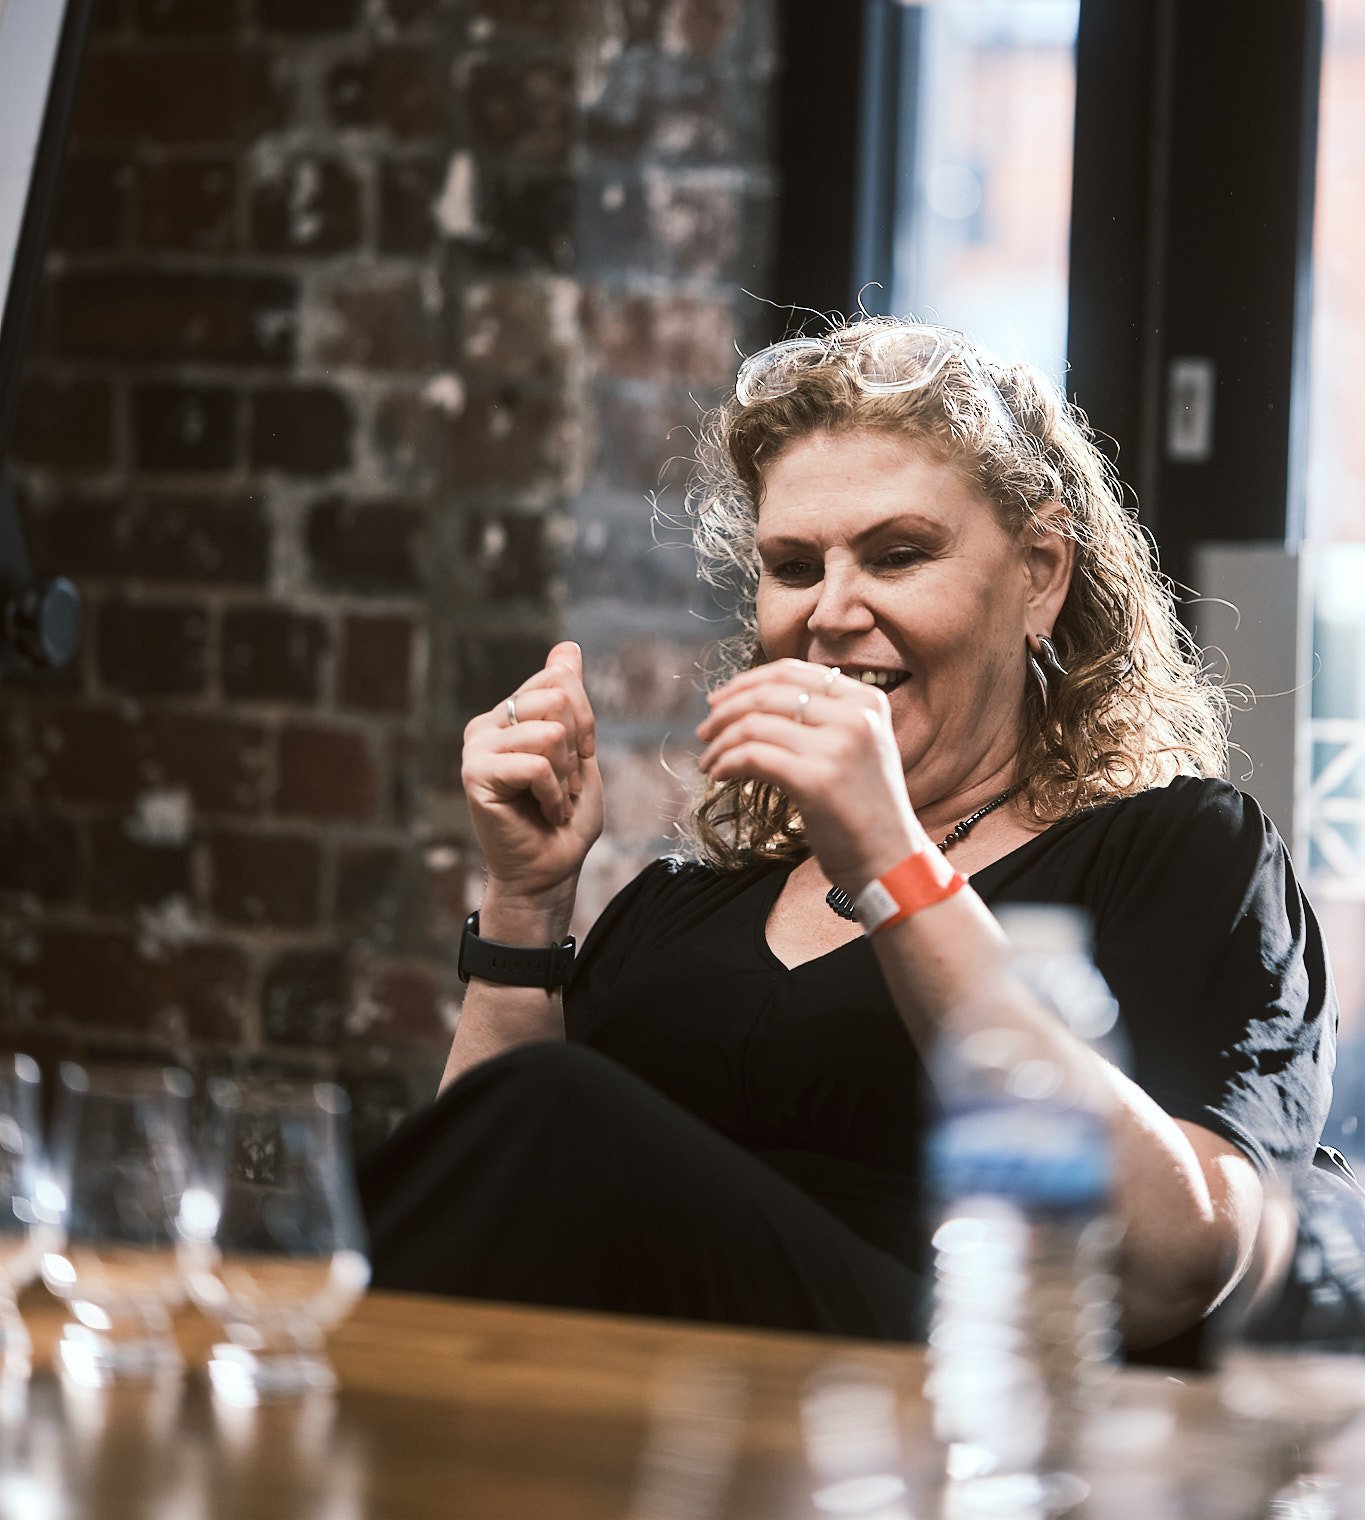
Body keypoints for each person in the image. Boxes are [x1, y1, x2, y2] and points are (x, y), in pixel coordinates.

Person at [359, 318, 1334, 1357]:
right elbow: (492, 1225)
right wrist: (524, 905)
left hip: (948, 1403)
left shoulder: (1173, 850)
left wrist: (893, 859)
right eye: (791, 564)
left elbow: (1179, 1262)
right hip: (641, 1431)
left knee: (554, 1108)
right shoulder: (680, 908)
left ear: (1040, 573)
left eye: (898, 553)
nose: (831, 611)